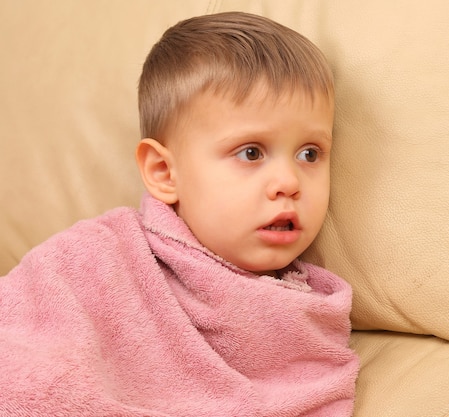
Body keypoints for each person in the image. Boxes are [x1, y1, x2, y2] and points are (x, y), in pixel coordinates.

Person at [0, 12, 359, 416]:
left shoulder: (307, 317)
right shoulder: (96, 260)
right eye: (251, 152)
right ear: (164, 173)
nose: (289, 182)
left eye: (309, 153)